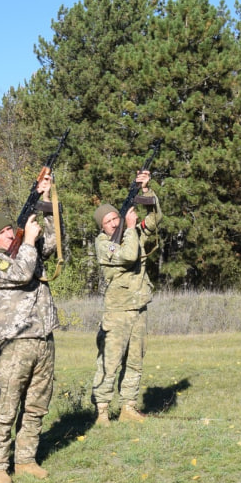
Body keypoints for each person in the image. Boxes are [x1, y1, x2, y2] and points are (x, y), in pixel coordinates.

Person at [0, 172, 58, 483]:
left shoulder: (28, 247)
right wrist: (26, 242)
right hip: (15, 342)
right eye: (4, 231)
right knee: (6, 406)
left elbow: (52, 243)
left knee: (37, 404)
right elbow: (23, 273)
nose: (11, 233)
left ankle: (26, 459)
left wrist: (45, 202)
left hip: (43, 337)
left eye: (12, 227)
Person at [91, 169, 161, 426]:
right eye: (108, 221)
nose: (113, 223)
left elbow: (154, 221)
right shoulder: (104, 244)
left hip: (138, 307)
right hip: (118, 311)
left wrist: (146, 192)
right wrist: (130, 227)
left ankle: (128, 406)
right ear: (102, 226)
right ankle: (101, 411)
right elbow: (129, 255)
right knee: (110, 361)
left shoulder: (130, 232)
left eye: (115, 219)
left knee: (135, 360)